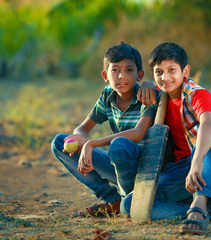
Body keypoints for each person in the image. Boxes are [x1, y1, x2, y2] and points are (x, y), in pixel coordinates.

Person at [121, 42, 211, 234]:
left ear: (185, 71)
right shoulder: (161, 97)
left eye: (171, 70)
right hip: (181, 168)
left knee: (206, 148)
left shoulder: (198, 95)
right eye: (159, 72)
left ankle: (200, 207)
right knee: (130, 204)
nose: (165, 77)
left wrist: (197, 161)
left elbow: (208, 125)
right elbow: (151, 86)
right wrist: (146, 84)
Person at [51, 42, 158, 217]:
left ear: (139, 75)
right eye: (115, 70)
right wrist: (79, 138)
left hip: (142, 169)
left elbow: (138, 134)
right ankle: (112, 199)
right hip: (118, 166)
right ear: (105, 75)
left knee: (120, 145)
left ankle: (129, 199)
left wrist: (91, 144)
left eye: (128, 70)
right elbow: (83, 127)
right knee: (59, 142)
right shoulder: (107, 95)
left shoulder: (146, 95)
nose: (121, 76)